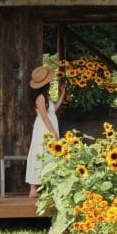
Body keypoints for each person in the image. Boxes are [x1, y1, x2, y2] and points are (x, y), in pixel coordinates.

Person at [25, 65, 66, 198]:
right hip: (44, 129)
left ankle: (44, 186)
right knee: (41, 153)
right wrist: (53, 132)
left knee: (48, 155)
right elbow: (44, 116)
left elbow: (54, 108)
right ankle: (33, 188)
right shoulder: (40, 98)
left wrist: (62, 93)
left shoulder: (44, 97)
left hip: (48, 127)